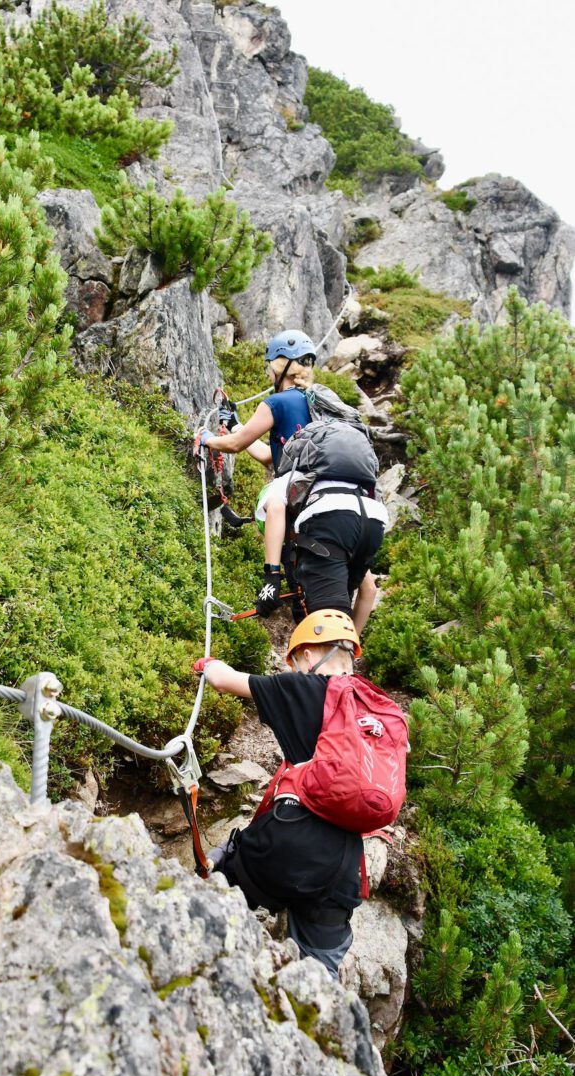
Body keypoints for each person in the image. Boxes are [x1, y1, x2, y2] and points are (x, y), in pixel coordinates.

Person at [193, 609, 365, 979]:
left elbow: (224, 680)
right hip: (344, 864)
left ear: (306, 654)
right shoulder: (373, 707)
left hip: (287, 846)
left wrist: (208, 664)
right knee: (321, 973)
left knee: (215, 887)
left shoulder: (303, 688)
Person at [201, 330, 386, 627]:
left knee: (273, 499)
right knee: (366, 587)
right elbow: (269, 456)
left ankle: (271, 577)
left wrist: (207, 438)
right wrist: (237, 426)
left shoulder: (277, 402)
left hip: (312, 504)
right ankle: (353, 648)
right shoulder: (321, 407)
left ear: (279, 366)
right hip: (357, 507)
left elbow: (236, 447)